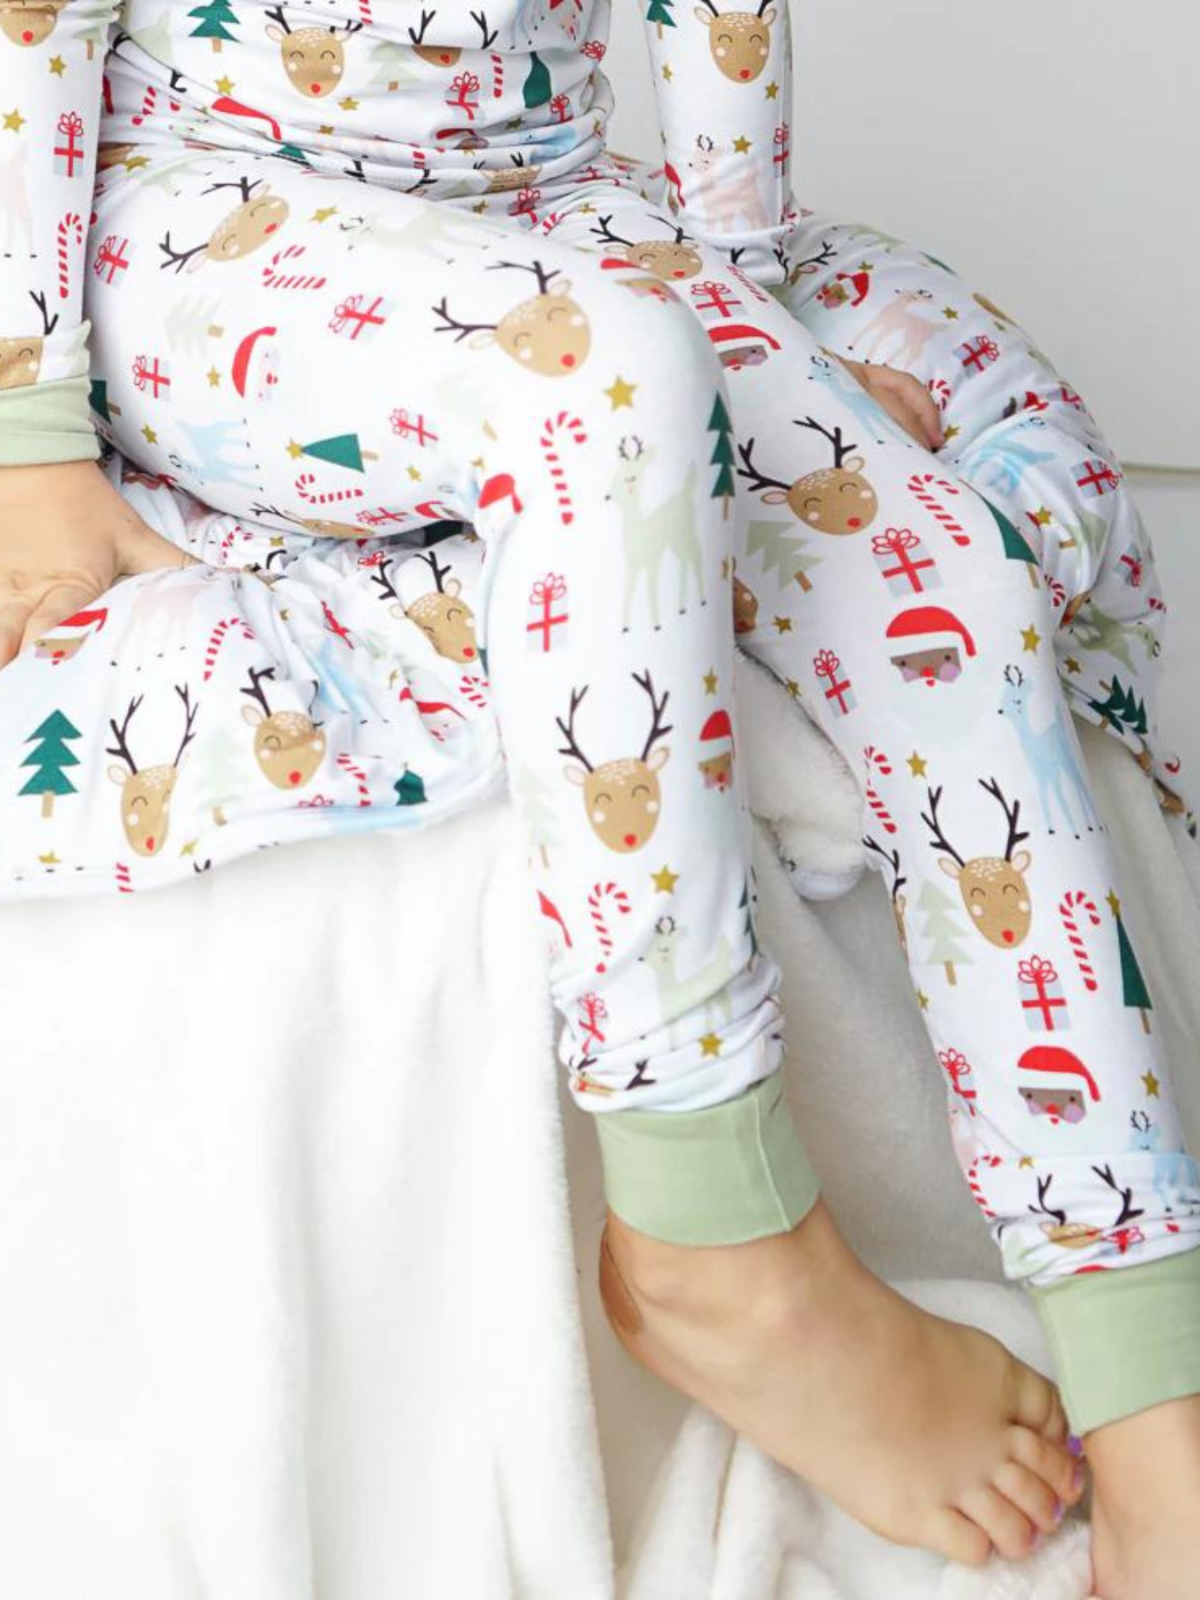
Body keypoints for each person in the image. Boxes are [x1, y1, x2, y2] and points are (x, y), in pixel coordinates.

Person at [0, 0, 1195, 1586]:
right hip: (198, 211)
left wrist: (759, 291)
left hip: (546, 207)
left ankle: (1151, 1398)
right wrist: (29, 436)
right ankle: (716, 1226)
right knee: (614, 383)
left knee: (940, 574)